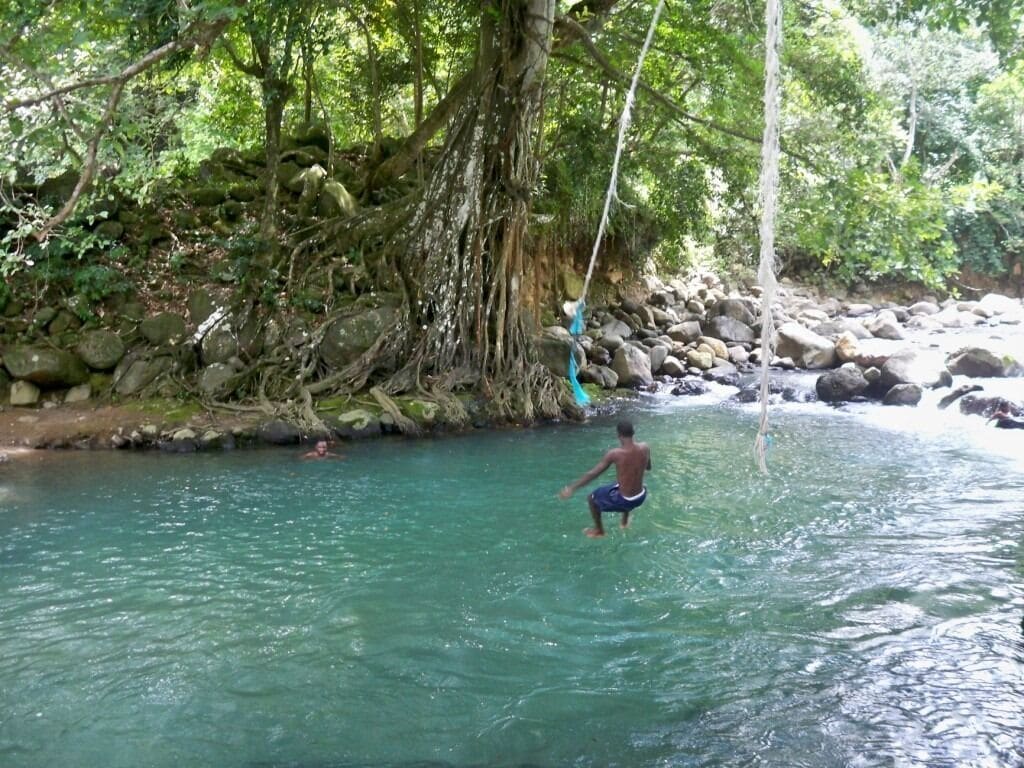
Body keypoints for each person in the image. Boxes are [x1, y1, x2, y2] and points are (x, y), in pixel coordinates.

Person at [558, 420, 651, 538]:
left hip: (625, 500)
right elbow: (648, 468)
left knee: (592, 498)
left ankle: (599, 531)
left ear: (618, 435)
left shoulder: (615, 454)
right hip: (641, 496)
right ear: (633, 433)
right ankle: (624, 522)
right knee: (619, 485)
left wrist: (572, 488)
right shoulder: (645, 447)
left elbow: (593, 474)